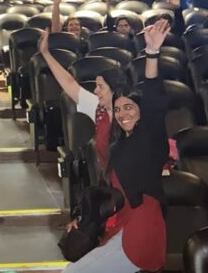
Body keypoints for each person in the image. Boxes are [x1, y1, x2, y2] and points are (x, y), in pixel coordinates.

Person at [63, 19, 170, 273]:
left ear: (141, 112)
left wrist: (152, 53)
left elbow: (154, 98)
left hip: (142, 232)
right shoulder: (118, 145)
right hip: (121, 225)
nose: (123, 114)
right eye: (119, 109)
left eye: (129, 107)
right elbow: (107, 194)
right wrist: (82, 219)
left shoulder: (151, 138)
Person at [39, 27, 127, 170]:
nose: (95, 91)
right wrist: (45, 53)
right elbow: (69, 83)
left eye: (100, 87)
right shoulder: (97, 108)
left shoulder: (132, 113)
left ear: (114, 90)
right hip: (107, 175)